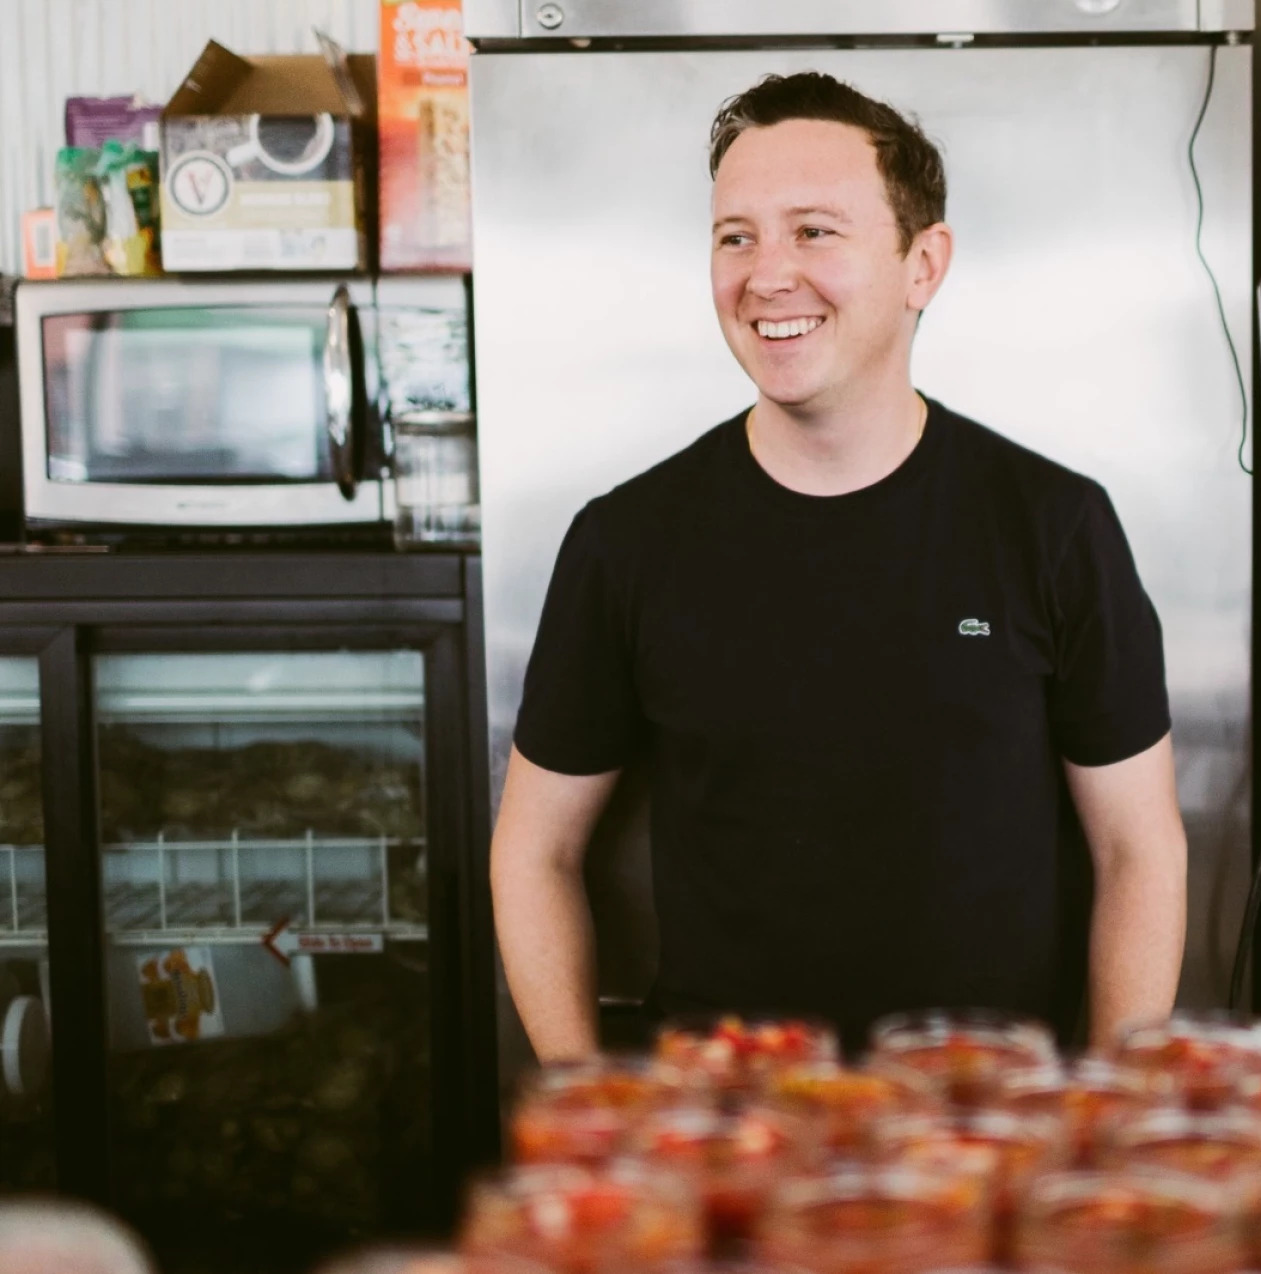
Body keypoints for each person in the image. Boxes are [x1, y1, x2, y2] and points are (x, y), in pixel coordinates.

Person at [491, 72, 1188, 1058]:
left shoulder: (1051, 524)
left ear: (922, 264)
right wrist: (579, 1090)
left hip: (987, 1120)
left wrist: (1116, 1107)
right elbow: (534, 847)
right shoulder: (626, 540)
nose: (766, 273)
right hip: (730, 1127)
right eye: (736, 235)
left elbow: (1137, 849)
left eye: (813, 230)